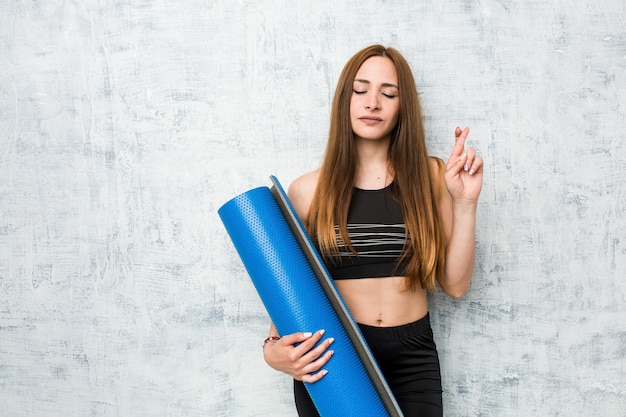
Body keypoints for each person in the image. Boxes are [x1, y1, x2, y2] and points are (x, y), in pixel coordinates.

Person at [262, 44, 483, 417]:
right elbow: (288, 292)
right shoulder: (306, 191)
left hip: (413, 357)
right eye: (360, 90)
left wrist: (465, 203)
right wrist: (273, 350)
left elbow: (455, 285)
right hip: (333, 355)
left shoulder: (431, 176)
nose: (373, 103)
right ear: (344, 101)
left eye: (388, 93)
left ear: (402, 107)